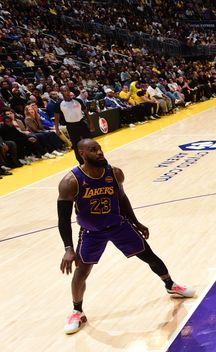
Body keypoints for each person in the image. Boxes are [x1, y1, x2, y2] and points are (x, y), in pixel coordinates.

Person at [57, 139, 195, 335]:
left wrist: (136, 222)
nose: (99, 152)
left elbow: (122, 199)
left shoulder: (115, 173)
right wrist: (68, 249)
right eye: (93, 150)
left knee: (149, 256)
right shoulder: (70, 182)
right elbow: (63, 219)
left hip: (118, 225)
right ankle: (77, 311)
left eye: (99, 148)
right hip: (91, 232)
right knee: (82, 272)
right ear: (82, 154)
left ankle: (171, 285)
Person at [53, 86, 95, 164]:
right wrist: (57, 129)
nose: (66, 92)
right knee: (76, 145)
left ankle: (93, 158)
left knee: (89, 142)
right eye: (64, 91)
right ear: (61, 92)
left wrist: (91, 124)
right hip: (71, 126)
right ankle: (81, 162)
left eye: (67, 90)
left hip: (82, 124)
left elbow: (86, 113)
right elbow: (56, 118)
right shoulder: (59, 104)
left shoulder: (78, 101)